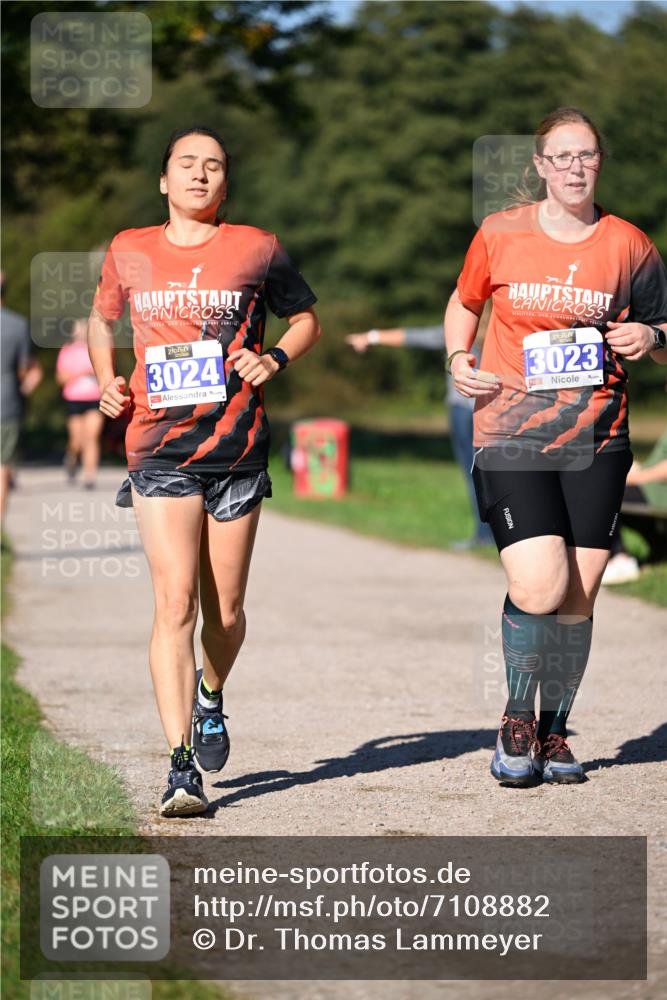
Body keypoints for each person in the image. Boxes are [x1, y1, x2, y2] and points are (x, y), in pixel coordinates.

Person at [88, 126, 320, 816]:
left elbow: (304, 318)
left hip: (236, 447)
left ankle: (211, 696)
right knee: (174, 604)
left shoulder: (256, 247)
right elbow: (102, 322)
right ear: (163, 180)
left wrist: (272, 359)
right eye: (186, 165)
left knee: (224, 612)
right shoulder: (129, 249)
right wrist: (107, 381)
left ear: (225, 183)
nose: (199, 175)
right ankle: (180, 766)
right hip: (157, 446)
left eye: (212, 166)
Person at [445, 107, 667, 786]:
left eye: (586, 156)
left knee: (579, 595)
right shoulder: (500, 233)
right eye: (561, 156)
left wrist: (650, 339)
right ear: (539, 166)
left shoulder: (628, 244)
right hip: (510, 431)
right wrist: (458, 354)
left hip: (596, 437)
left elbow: (661, 324)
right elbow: (464, 302)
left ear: (599, 163)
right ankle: (515, 718)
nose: (575, 167)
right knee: (539, 586)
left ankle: (552, 731)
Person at [345, 305, 494, 547]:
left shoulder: (456, 334)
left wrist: (370, 337)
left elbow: (412, 336)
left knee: (472, 473)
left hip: (464, 413)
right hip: (495, 413)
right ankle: (501, 532)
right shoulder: (503, 336)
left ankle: (484, 534)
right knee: (497, 473)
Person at [1, 272, 43, 533]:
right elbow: (28, 370)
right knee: (3, 467)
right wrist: (23, 390)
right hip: (7, 403)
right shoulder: (17, 325)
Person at [602, 426, 667, 583]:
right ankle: (659, 551)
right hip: (650, 487)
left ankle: (620, 557)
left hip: (656, 492)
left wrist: (636, 477)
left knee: (604, 493)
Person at [56, 318, 104, 489]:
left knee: (92, 437)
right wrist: (81, 372)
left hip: (94, 398)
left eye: (85, 329)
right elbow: (60, 378)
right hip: (74, 398)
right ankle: (71, 458)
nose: (82, 332)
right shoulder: (67, 351)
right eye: (79, 329)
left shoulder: (98, 349)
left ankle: (89, 476)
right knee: (77, 439)